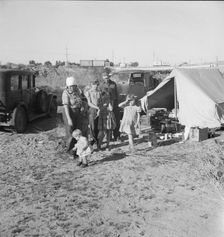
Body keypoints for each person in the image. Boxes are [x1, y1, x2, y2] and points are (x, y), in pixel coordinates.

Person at [62, 76, 84, 153]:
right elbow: (66, 106)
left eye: (74, 86)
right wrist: (69, 119)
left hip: (77, 113)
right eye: (71, 86)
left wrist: (82, 107)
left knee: (77, 131)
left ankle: (77, 149)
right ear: (68, 86)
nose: (72, 88)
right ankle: (70, 150)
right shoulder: (65, 93)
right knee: (70, 132)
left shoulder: (78, 91)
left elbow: (81, 100)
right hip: (69, 112)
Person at [99, 71, 121, 141]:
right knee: (107, 120)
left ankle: (117, 136)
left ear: (109, 77)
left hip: (114, 103)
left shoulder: (113, 84)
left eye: (108, 77)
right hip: (105, 105)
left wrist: (117, 105)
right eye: (105, 78)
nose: (107, 79)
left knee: (116, 120)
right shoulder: (101, 85)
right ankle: (109, 136)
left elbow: (116, 94)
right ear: (103, 78)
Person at [85, 80, 102, 146]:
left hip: (99, 109)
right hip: (92, 110)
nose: (95, 86)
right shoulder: (88, 92)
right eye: (94, 85)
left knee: (98, 125)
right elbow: (89, 103)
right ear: (91, 85)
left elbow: (100, 101)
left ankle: (97, 140)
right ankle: (93, 139)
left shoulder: (99, 92)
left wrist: (99, 109)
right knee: (92, 126)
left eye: (97, 85)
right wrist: (97, 108)